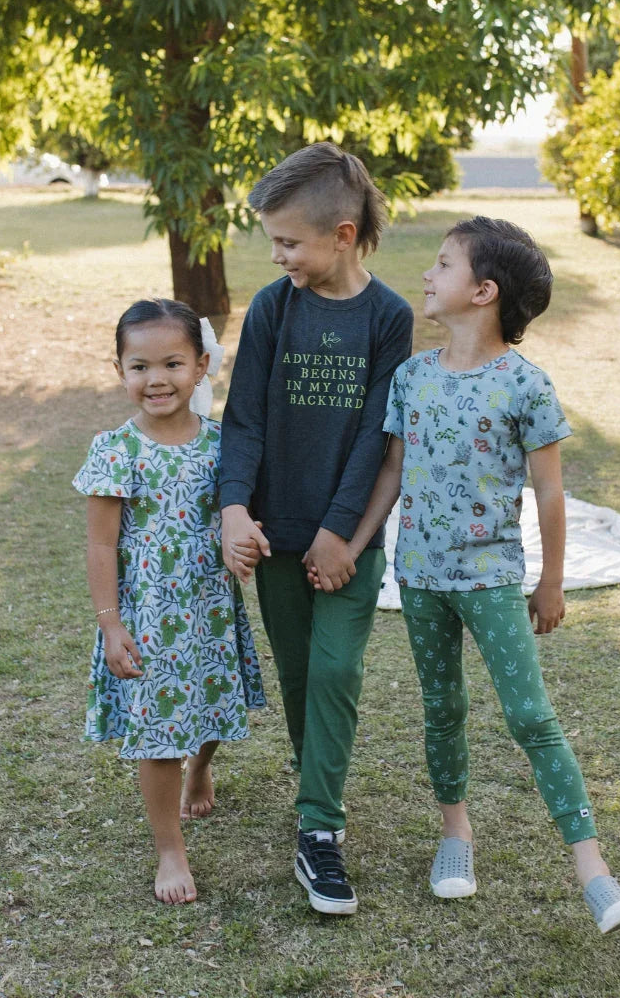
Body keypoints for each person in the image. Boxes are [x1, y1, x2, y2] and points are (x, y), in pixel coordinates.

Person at [328, 217, 620, 934]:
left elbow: (550, 492)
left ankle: (594, 873)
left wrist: (553, 581)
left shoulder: (525, 386)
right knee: (441, 708)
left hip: (492, 581)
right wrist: (355, 542)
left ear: (483, 291)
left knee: (531, 717)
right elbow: (392, 471)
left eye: (442, 265)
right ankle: (455, 836)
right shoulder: (411, 377)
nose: (426, 276)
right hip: (419, 577)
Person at [219, 142, 414, 915]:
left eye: (289, 243)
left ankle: (320, 832)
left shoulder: (390, 318)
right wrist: (235, 508)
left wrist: (342, 535)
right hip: (274, 537)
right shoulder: (275, 307)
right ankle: (318, 805)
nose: (278, 257)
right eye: (272, 242)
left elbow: (377, 433)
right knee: (300, 678)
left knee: (338, 672)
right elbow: (244, 420)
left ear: (341, 233)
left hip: (349, 542)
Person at [73, 298, 265, 905]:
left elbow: (237, 515)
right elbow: (101, 545)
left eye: (173, 364)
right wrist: (111, 626)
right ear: (119, 370)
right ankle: (169, 850)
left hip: (209, 611)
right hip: (148, 620)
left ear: (202, 365)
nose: (156, 379)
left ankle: (202, 765)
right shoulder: (115, 449)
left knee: (213, 707)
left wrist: (245, 547)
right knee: (159, 738)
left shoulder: (224, 444)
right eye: (140, 366)